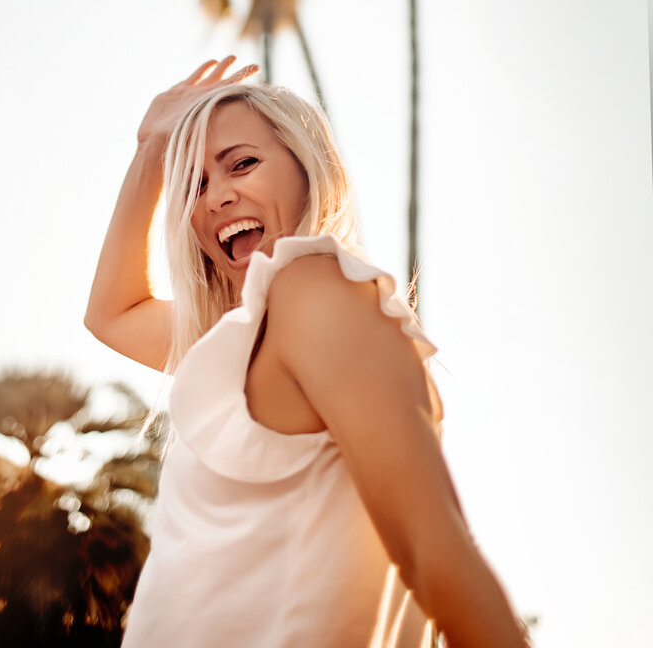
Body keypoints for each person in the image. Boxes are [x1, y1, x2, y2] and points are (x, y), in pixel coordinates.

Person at [85, 58, 530, 648]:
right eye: (193, 183)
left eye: (242, 163)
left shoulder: (314, 289)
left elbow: (435, 549)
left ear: (307, 167)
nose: (216, 196)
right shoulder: (245, 335)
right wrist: (150, 150)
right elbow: (111, 315)